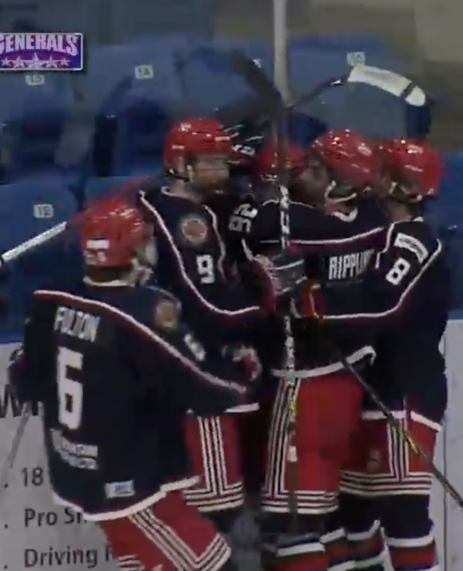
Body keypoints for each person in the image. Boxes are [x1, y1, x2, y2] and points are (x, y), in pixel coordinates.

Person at [7, 195, 263, 571]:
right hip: (133, 485)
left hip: (78, 474)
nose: (150, 248)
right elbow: (201, 386)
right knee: (215, 564)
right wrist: (243, 377)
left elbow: (25, 381)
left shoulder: (51, 299)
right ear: (130, 250)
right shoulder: (143, 313)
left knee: (147, 561)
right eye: (144, 242)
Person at [230, 129, 390, 571]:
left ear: (343, 183)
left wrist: (266, 198)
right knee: (322, 515)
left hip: (306, 387)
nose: (306, 173)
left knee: (291, 523)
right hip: (348, 384)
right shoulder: (373, 219)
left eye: (319, 169)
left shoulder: (296, 225)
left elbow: (254, 226)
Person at [137, 118, 307, 535]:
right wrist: (262, 293)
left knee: (203, 510)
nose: (222, 170)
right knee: (217, 513)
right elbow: (209, 309)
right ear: (180, 163)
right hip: (195, 375)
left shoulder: (159, 204)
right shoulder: (184, 220)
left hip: (168, 370)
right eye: (210, 162)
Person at [315, 138, 448, 571]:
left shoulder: (412, 240)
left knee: (403, 513)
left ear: (400, 184)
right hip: (369, 390)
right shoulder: (379, 231)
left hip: (405, 391)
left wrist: (313, 300)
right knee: (353, 512)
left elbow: (382, 303)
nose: (371, 176)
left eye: (384, 171)